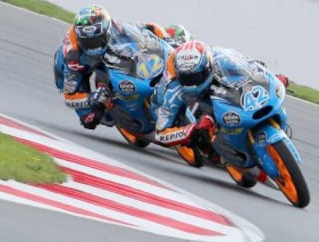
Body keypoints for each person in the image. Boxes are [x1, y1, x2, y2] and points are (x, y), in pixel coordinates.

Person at [151, 40, 289, 163]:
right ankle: (218, 149)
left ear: (208, 67)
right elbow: (161, 134)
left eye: (196, 76)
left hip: (224, 91)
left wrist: (271, 77)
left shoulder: (222, 57)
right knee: (204, 141)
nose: (191, 83)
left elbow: (252, 66)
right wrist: (190, 131)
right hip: (197, 110)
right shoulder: (172, 90)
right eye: (187, 78)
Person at [53, 4, 174, 129]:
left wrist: (167, 40)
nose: (93, 46)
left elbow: (148, 27)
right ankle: (111, 109)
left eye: (97, 40)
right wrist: (91, 98)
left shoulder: (115, 26)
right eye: (88, 42)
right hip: (75, 67)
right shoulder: (74, 59)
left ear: (107, 30)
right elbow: (69, 97)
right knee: (90, 119)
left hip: (105, 56)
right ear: (80, 39)